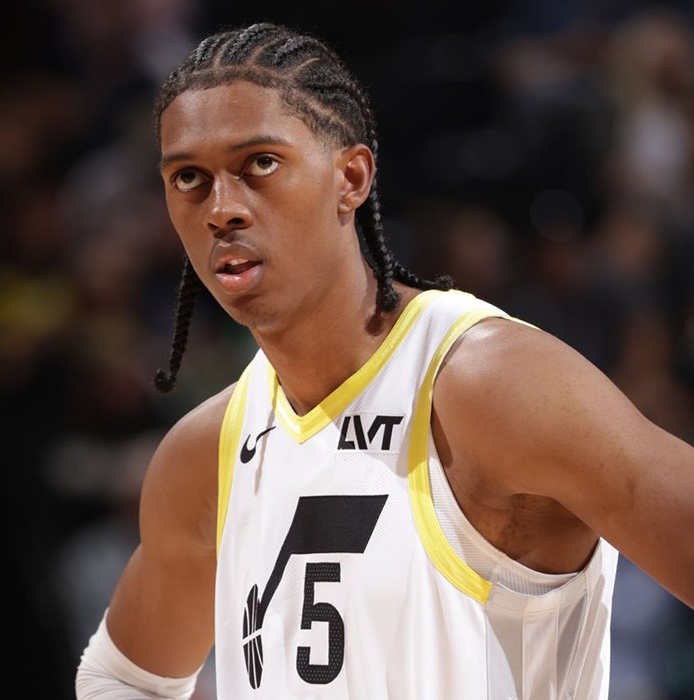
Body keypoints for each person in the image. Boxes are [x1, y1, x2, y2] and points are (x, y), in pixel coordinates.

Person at [75, 22, 694, 700]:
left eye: (260, 164)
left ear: (351, 177)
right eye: (189, 178)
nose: (221, 209)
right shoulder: (205, 455)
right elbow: (119, 678)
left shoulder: (487, 385)